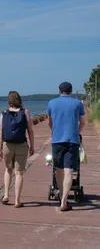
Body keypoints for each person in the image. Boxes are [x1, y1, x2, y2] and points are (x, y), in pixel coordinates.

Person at [47, 82, 86, 211]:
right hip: (72, 140)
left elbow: (50, 122)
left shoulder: (52, 103)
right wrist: (77, 132)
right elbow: (83, 121)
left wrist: (54, 130)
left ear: (59, 91)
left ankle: (61, 195)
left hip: (57, 140)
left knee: (58, 169)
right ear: (71, 91)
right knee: (69, 170)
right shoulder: (77, 103)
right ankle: (64, 201)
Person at [0, 91, 35, 208]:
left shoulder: (3, 113)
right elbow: (30, 130)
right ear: (19, 100)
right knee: (19, 173)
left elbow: (1, 132)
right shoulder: (25, 112)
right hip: (21, 145)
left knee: (8, 170)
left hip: (7, 145)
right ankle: (17, 201)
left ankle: (6, 195)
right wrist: (32, 146)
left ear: (9, 101)